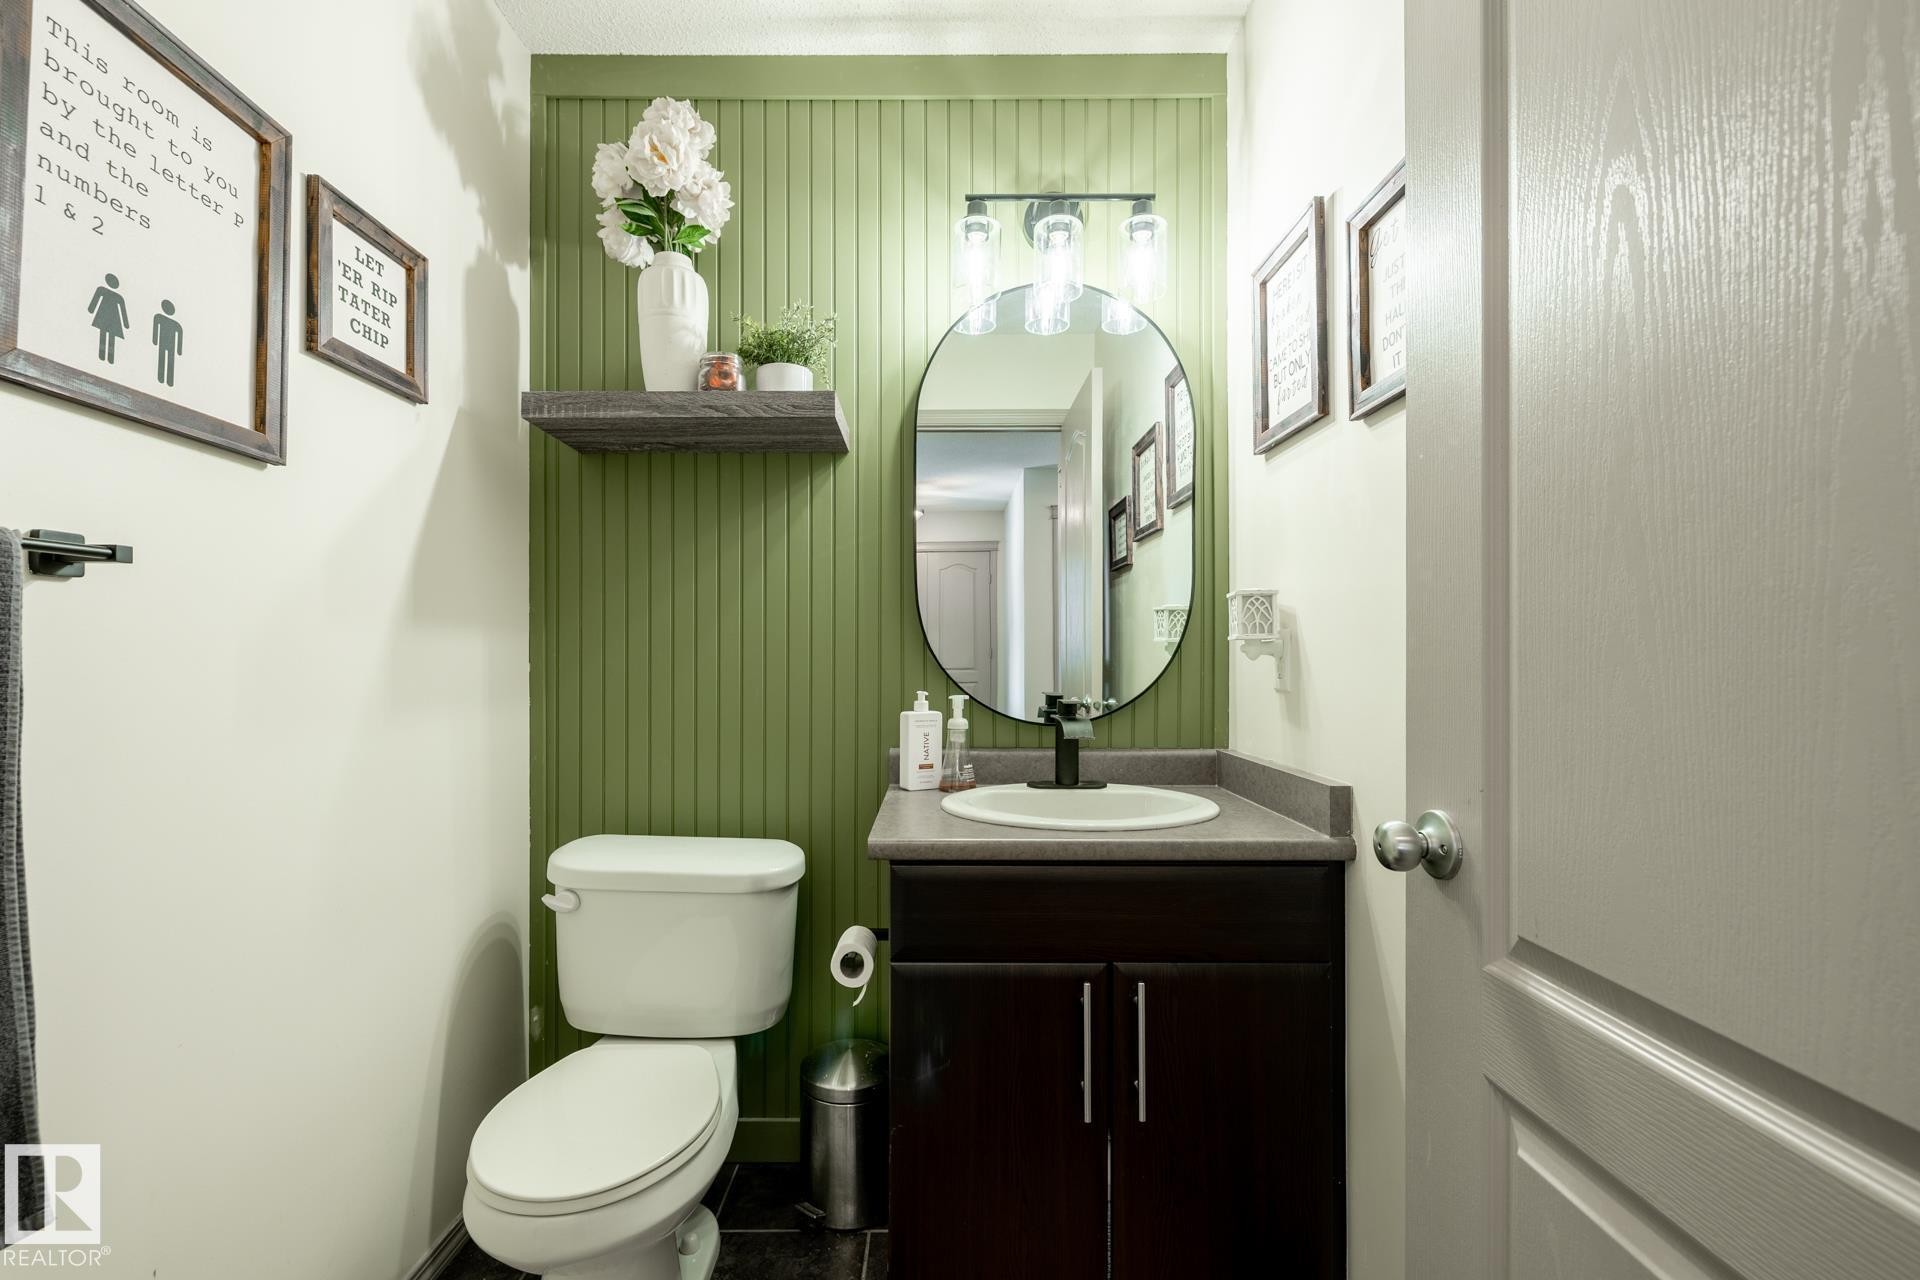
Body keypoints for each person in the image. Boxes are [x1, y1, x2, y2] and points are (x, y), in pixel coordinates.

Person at [87, 273, 128, 364]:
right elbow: (95, 300)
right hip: (106, 315)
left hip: (112, 317)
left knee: (110, 336)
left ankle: (110, 356)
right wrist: (91, 309)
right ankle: (103, 353)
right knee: (104, 333)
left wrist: (126, 324)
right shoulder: (102, 290)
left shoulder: (118, 297)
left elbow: (123, 310)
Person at [152, 300, 184, 387]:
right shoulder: (158, 317)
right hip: (164, 343)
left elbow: (179, 336)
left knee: (169, 361)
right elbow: (155, 328)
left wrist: (179, 350)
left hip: (170, 345)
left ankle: (168, 380)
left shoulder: (175, 324)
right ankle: (161, 377)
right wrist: (155, 340)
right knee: (162, 359)